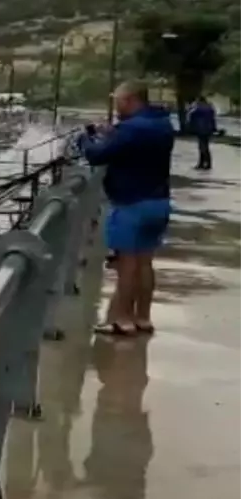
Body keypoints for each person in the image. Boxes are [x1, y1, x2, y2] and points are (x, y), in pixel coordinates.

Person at [80, 81, 174, 337]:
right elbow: (134, 149)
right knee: (145, 263)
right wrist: (114, 134)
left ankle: (122, 320)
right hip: (159, 202)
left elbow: (97, 155)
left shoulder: (132, 128)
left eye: (119, 101)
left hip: (131, 204)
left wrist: (86, 139)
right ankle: (142, 318)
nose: (117, 106)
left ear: (131, 100)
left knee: (127, 264)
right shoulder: (162, 124)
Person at [186, 96, 217, 170]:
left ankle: (204, 164)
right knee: (205, 146)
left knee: (202, 147)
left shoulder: (198, 108)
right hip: (208, 129)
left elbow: (190, 114)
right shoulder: (210, 107)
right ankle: (205, 163)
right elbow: (213, 119)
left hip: (201, 129)